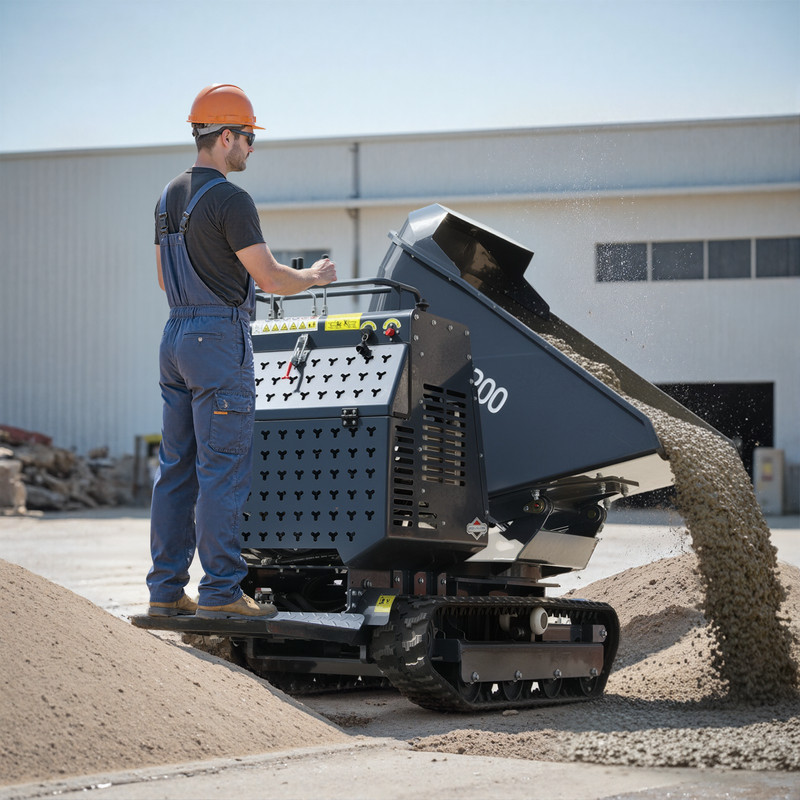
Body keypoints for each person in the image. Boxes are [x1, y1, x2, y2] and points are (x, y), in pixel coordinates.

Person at [147, 84, 337, 620]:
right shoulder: (231, 199)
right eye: (249, 138)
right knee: (222, 469)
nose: (252, 147)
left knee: (176, 468)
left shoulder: (167, 197)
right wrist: (315, 276)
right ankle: (223, 592)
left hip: (175, 336)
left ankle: (165, 592)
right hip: (218, 338)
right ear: (224, 136)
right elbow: (271, 278)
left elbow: (164, 278)